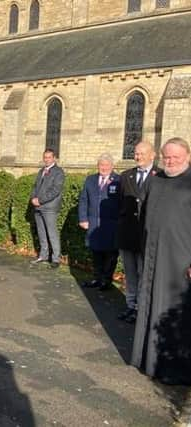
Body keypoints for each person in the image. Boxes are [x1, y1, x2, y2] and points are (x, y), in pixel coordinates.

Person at [132, 137, 191, 385]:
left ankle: (174, 370)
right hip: (154, 255)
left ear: (188, 156)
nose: (171, 161)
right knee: (149, 304)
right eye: (167, 157)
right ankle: (148, 360)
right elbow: (142, 212)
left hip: (181, 261)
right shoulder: (155, 181)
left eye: (176, 157)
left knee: (176, 312)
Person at [116, 141, 160, 323]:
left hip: (146, 236)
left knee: (144, 274)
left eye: (142, 153)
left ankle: (142, 309)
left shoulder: (160, 177)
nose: (138, 157)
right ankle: (130, 305)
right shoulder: (126, 175)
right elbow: (121, 204)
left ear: (152, 155)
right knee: (131, 273)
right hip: (128, 235)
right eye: (136, 153)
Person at [78, 153, 121, 291]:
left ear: (112, 166)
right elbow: (84, 200)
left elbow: (122, 203)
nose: (103, 167)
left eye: (106, 165)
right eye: (101, 165)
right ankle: (97, 278)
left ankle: (106, 281)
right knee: (95, 253)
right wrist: (83, 218)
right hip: (93, 223)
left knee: (110, 254)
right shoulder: (90, 179)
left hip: (111, 225)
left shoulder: (119, 180)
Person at [30, 148, 65, 268]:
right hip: (38, 207)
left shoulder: (59, 172)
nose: (47, 159)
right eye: (45, 157)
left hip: (49, 207)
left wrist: (40, 200)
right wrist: (33, 198)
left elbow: (55, 190)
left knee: (52, 233)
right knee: (41, 232)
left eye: (49, 157)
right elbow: (35, 186)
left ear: (54, 158)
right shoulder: (41, 171)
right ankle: (43, 255)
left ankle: (56, 259)